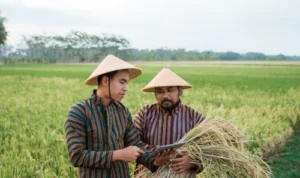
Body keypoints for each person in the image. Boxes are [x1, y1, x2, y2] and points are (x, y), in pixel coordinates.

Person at [65, 55, 157, 178]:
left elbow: (136, 145)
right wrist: (118, 155)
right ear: (105, 80)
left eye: (127, 83)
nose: (126, 88)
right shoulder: (79, 111)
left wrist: (156, 160)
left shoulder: (123, 111)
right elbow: (77, 156)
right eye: (122, 82)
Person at [134, 68, 206, 177]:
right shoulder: (144, 113)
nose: (165, 96)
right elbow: (133, 144)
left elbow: (209, 149)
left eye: (170, 90)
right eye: (160, 91)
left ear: (179, 91)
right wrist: (157, 155)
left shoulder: (194, 116)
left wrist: (193, 162)